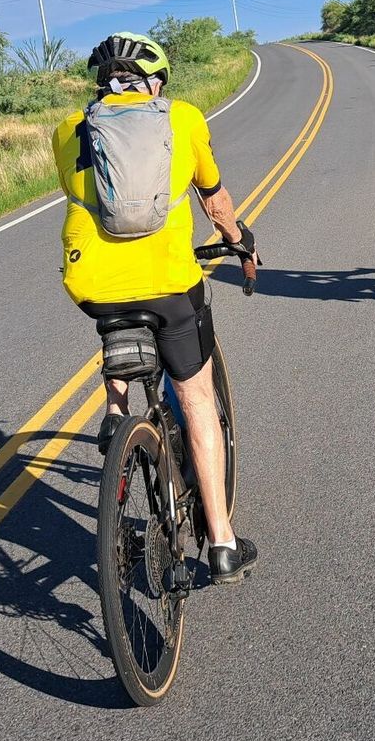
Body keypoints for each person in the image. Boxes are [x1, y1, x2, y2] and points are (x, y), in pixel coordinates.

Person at [52, 31, 259, 584]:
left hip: (91, 284)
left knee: (117, 317)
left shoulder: (67, 130)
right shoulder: (183, 118)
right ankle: (222, 543)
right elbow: (214, 200)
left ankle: (117, 414)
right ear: (157, 83)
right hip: (168, 284)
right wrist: (238, 239)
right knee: (196, 399)